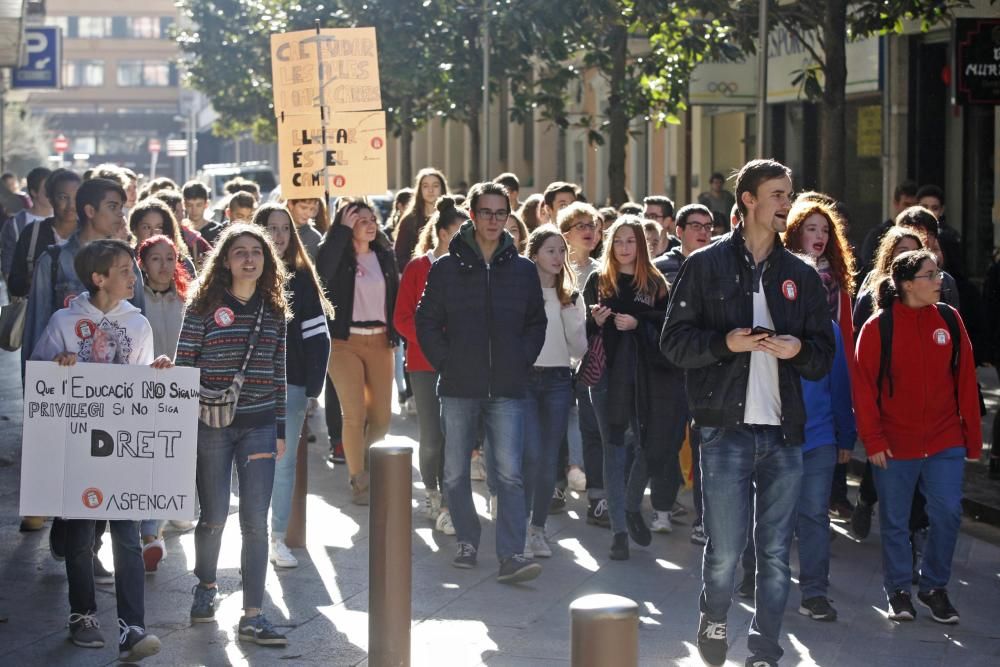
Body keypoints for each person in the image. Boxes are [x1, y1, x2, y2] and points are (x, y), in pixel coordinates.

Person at [660, 159, 834, 667]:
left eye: (789, 193)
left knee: (777, 555)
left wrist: (795, 349)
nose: (787, 203)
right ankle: (713, 616)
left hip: (784, 434)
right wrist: (725, 342)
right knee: (726, 550)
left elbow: (823, 356)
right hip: (723, 431)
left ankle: (764, 648)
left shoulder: (799, 274)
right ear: (749, 201)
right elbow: (673, 343)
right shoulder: (704, 265)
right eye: (778, 194)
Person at [31, 239, 168, 661]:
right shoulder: (63, 321)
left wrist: (157, 373)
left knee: (127, 535)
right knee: (80, 536)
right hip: (77, 447)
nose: (134, 276)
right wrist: (59, 365)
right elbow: (40, 377)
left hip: (121, 446)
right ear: (99, 278)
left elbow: (143, 384)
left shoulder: (138, 324)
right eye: (125, 269)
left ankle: (133, 626)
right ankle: (83, 615)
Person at [416, 181, 547, 584]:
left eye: (501, 213)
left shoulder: (523, 269)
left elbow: (535, 323)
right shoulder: (446, 267)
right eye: (486, 212)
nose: (493, 220)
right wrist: (446, 362)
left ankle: (511, 553)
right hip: (458, 386)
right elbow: (425, 320)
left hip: (508, 387)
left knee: (508, 473)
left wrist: (521, 361)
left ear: (509, 217)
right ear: (471, 215)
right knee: (454, 472)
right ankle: (467, 540)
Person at [176, 223, 290, 646]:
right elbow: (184, 362)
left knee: (255, 522)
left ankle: (253, 615)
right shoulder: (204, 305)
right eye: (239, 251)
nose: (248, 258)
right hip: (211, 426)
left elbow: (279, 373)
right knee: (214, 515)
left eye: (256, 252)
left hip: (259, 426)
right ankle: (206, 586)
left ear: (266, 261)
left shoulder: (274, 309)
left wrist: (280, 428)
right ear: (224, 260)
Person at [853, 250, 980, 624]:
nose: (939, 278)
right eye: (930, 274)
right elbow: (863, 389)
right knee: (895, 522)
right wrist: (873, 441)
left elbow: (966, 380)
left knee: (947, 513)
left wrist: (971, 438)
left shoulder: (950, 319)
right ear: (908, 284)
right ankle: (898, 591)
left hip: (945, 439)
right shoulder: (878, 328)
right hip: (895, 444)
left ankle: (933, 587)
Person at [584, 217, 670, 560]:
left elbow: (668, 327)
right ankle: (619, 532)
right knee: (614, 450)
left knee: (649, 447)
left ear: (641, 245)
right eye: (618, 241)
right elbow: (583, 330)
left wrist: (639, 323)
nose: (624, 247)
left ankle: (632, 505)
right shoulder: (598, 280)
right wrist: (596, 320)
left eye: (630, 241)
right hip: (605, 374)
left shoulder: (655, 282)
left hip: (646, 377)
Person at [253, 203, 333, 566]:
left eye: (285, 228)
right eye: (272, 228)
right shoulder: (241, 275)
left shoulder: (301, 279)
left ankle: (275, 539)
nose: (280, 235)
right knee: (250, 463)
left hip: (292, 385)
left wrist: (312, 388)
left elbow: (319, 336)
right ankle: (250, 536)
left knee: (283, 464)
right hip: (249, 387)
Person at [316, 199, 399, 505]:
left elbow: (396, 296)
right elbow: (321, 272)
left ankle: (366, 464)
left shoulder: (384, 255)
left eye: (371, 218)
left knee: (381, 418)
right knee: (354, 414)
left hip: (379, 342)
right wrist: (340, 232)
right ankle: (358, 479)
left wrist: (396, 333)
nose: (369, 223)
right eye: (360, 219)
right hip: (343, 342)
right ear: (347, 225)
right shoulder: (338, 255)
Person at [394, 196, 468, 535]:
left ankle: (455, 499)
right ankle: (432, 492)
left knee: (457, 435)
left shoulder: (471, 268)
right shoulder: (417, 268)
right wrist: (434, 341)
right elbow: (402, 318)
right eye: (456, 233)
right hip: (424, 362)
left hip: (461, 363)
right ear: (440, 233)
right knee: (432, 436)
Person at [522, 225, 588, 558]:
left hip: (559, 380)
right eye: (550, 250)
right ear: (534, 254)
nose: (558, 257)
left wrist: (571, 317)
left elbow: (580, 348)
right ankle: (521, 526)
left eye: (562, 251)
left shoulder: (571, 296)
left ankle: (537, 529)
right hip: (526, 379)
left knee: (548, 458)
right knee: (531, 455)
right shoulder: (521, 291)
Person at [652, 203, 714, 544]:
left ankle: (703, 519)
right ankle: (662, 505)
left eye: (708, 225)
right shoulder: (662, 269)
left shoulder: (719, 265)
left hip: (706, 370)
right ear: (678, 231)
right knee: (668, 439)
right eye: (695, 225)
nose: (703, 231)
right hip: (668, 371)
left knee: (705, 445)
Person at [135, 234, 190, 571]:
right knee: (147, 461)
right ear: (142, 263)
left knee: (172, 458)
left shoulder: (188, 299)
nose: (164, 265)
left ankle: (163, 518)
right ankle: (149, 534)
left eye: (170, 258)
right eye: (156, 258)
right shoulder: (132, 299)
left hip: (179, 393)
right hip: (140, 394)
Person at [558, 202, 606, 523]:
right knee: (557, 423)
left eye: (593, 225)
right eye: (581, 226)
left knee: (591, 427)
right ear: (565, 235)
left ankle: (597, 497)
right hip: (557, 360)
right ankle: (556, 484)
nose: (590, 231)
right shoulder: (551, 268)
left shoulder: (604, 270)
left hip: (591, 361)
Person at [7, 169, 82, 296]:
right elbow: (14, 285)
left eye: (76, 198)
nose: (71, 205)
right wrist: (31, 279)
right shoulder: (32, 233)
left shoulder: (91, 234)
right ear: (51, 199)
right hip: (40, 313)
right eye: (63, 197)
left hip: (83, 315)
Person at [858, 181, 918, 277]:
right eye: (906, 204)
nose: (910, 210)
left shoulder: (922, 234)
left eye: (914, 206)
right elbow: (867, 268)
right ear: (896, 203)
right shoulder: (877, 235)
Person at [1, 166, 51, 278]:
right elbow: (8, 263)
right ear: (34, 192)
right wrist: (14, 292)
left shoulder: (67, 218)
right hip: (28, 291)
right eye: (47, 189)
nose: (52, 193)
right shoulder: (16, 223)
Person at [393, 168, 448, 271]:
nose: (430, 190)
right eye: (425, 186)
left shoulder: (452, 218)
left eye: (435, 186)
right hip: (419, 276)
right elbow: (399, 257)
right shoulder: (409, 220)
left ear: (442, 188)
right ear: (420, 190)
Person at [128, 198, 197, 279]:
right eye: (146, 227)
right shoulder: (126, 261)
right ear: (134, 229)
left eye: (159, 227)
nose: (153, 233)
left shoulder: (183, 263)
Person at [182, 180, 225, 246]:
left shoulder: (218, 230)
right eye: (190, 205)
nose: (194, 210)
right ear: (184, 205)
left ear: (206, 204)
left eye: (199, 205)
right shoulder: (180, 231)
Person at [286, 197, 327, 263]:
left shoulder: (315, 238)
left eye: (312, 209)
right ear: (290, 204)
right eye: (304, 208)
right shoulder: (277, 231)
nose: (309, 213)